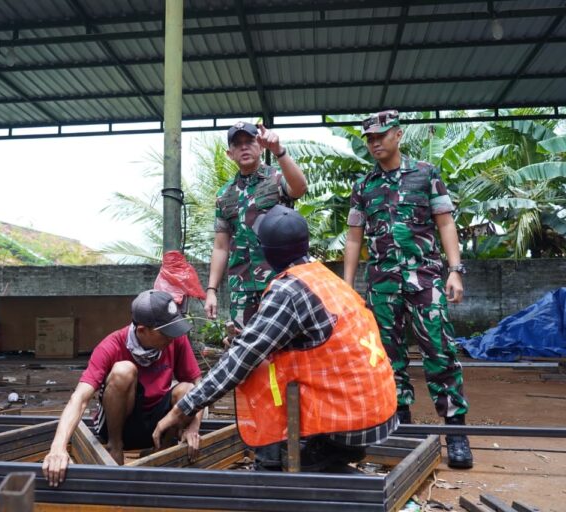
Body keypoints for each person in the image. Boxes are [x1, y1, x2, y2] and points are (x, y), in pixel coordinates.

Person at [154, 205, 398, 472]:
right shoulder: (325, 277)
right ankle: (304, 458)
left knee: (257, 369)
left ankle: (279, 464)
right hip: (377, 410)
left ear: (267, 251)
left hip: (347, 422)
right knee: (266, 360)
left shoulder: (288, 289)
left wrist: (183, 409)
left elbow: (240, 359)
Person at [342, 109, 473, 469]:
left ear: (398, 135)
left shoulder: (426, 174)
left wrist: (455, 271)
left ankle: (456, 433)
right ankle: (402, 430)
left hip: (425, 280)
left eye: (381, 136)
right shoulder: (364, 186)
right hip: (382, 285)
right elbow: (353, 238)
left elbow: (445, 223)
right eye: (370, 138)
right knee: (387, 358)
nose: (375, 143)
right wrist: (348, 286)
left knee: (440, 352)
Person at [42, 290, 203, 486]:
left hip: (159, 424)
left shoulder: (175, 339)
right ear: (142, 330)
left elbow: (198, 385)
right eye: (165, 332)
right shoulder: (111, 346)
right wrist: (58, 447)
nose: (172, 337)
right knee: (123, 371)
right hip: (121, 423)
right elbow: (79, 398)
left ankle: (163, 449)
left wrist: (193, 428)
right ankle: (115, 446)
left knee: (187, 390)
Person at [204, 121, 307, 329]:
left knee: (286, 340)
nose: (244, 147)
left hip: (280, 281)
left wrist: (279, 151)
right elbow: (221, 246)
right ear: (230, 154)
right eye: (237, 144)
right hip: (242, 288)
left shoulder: (277, 179)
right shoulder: (224, 195)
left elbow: (299, 188)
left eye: (250, 141)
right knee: (244, 341)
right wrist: (211, 290)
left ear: (260, 146)